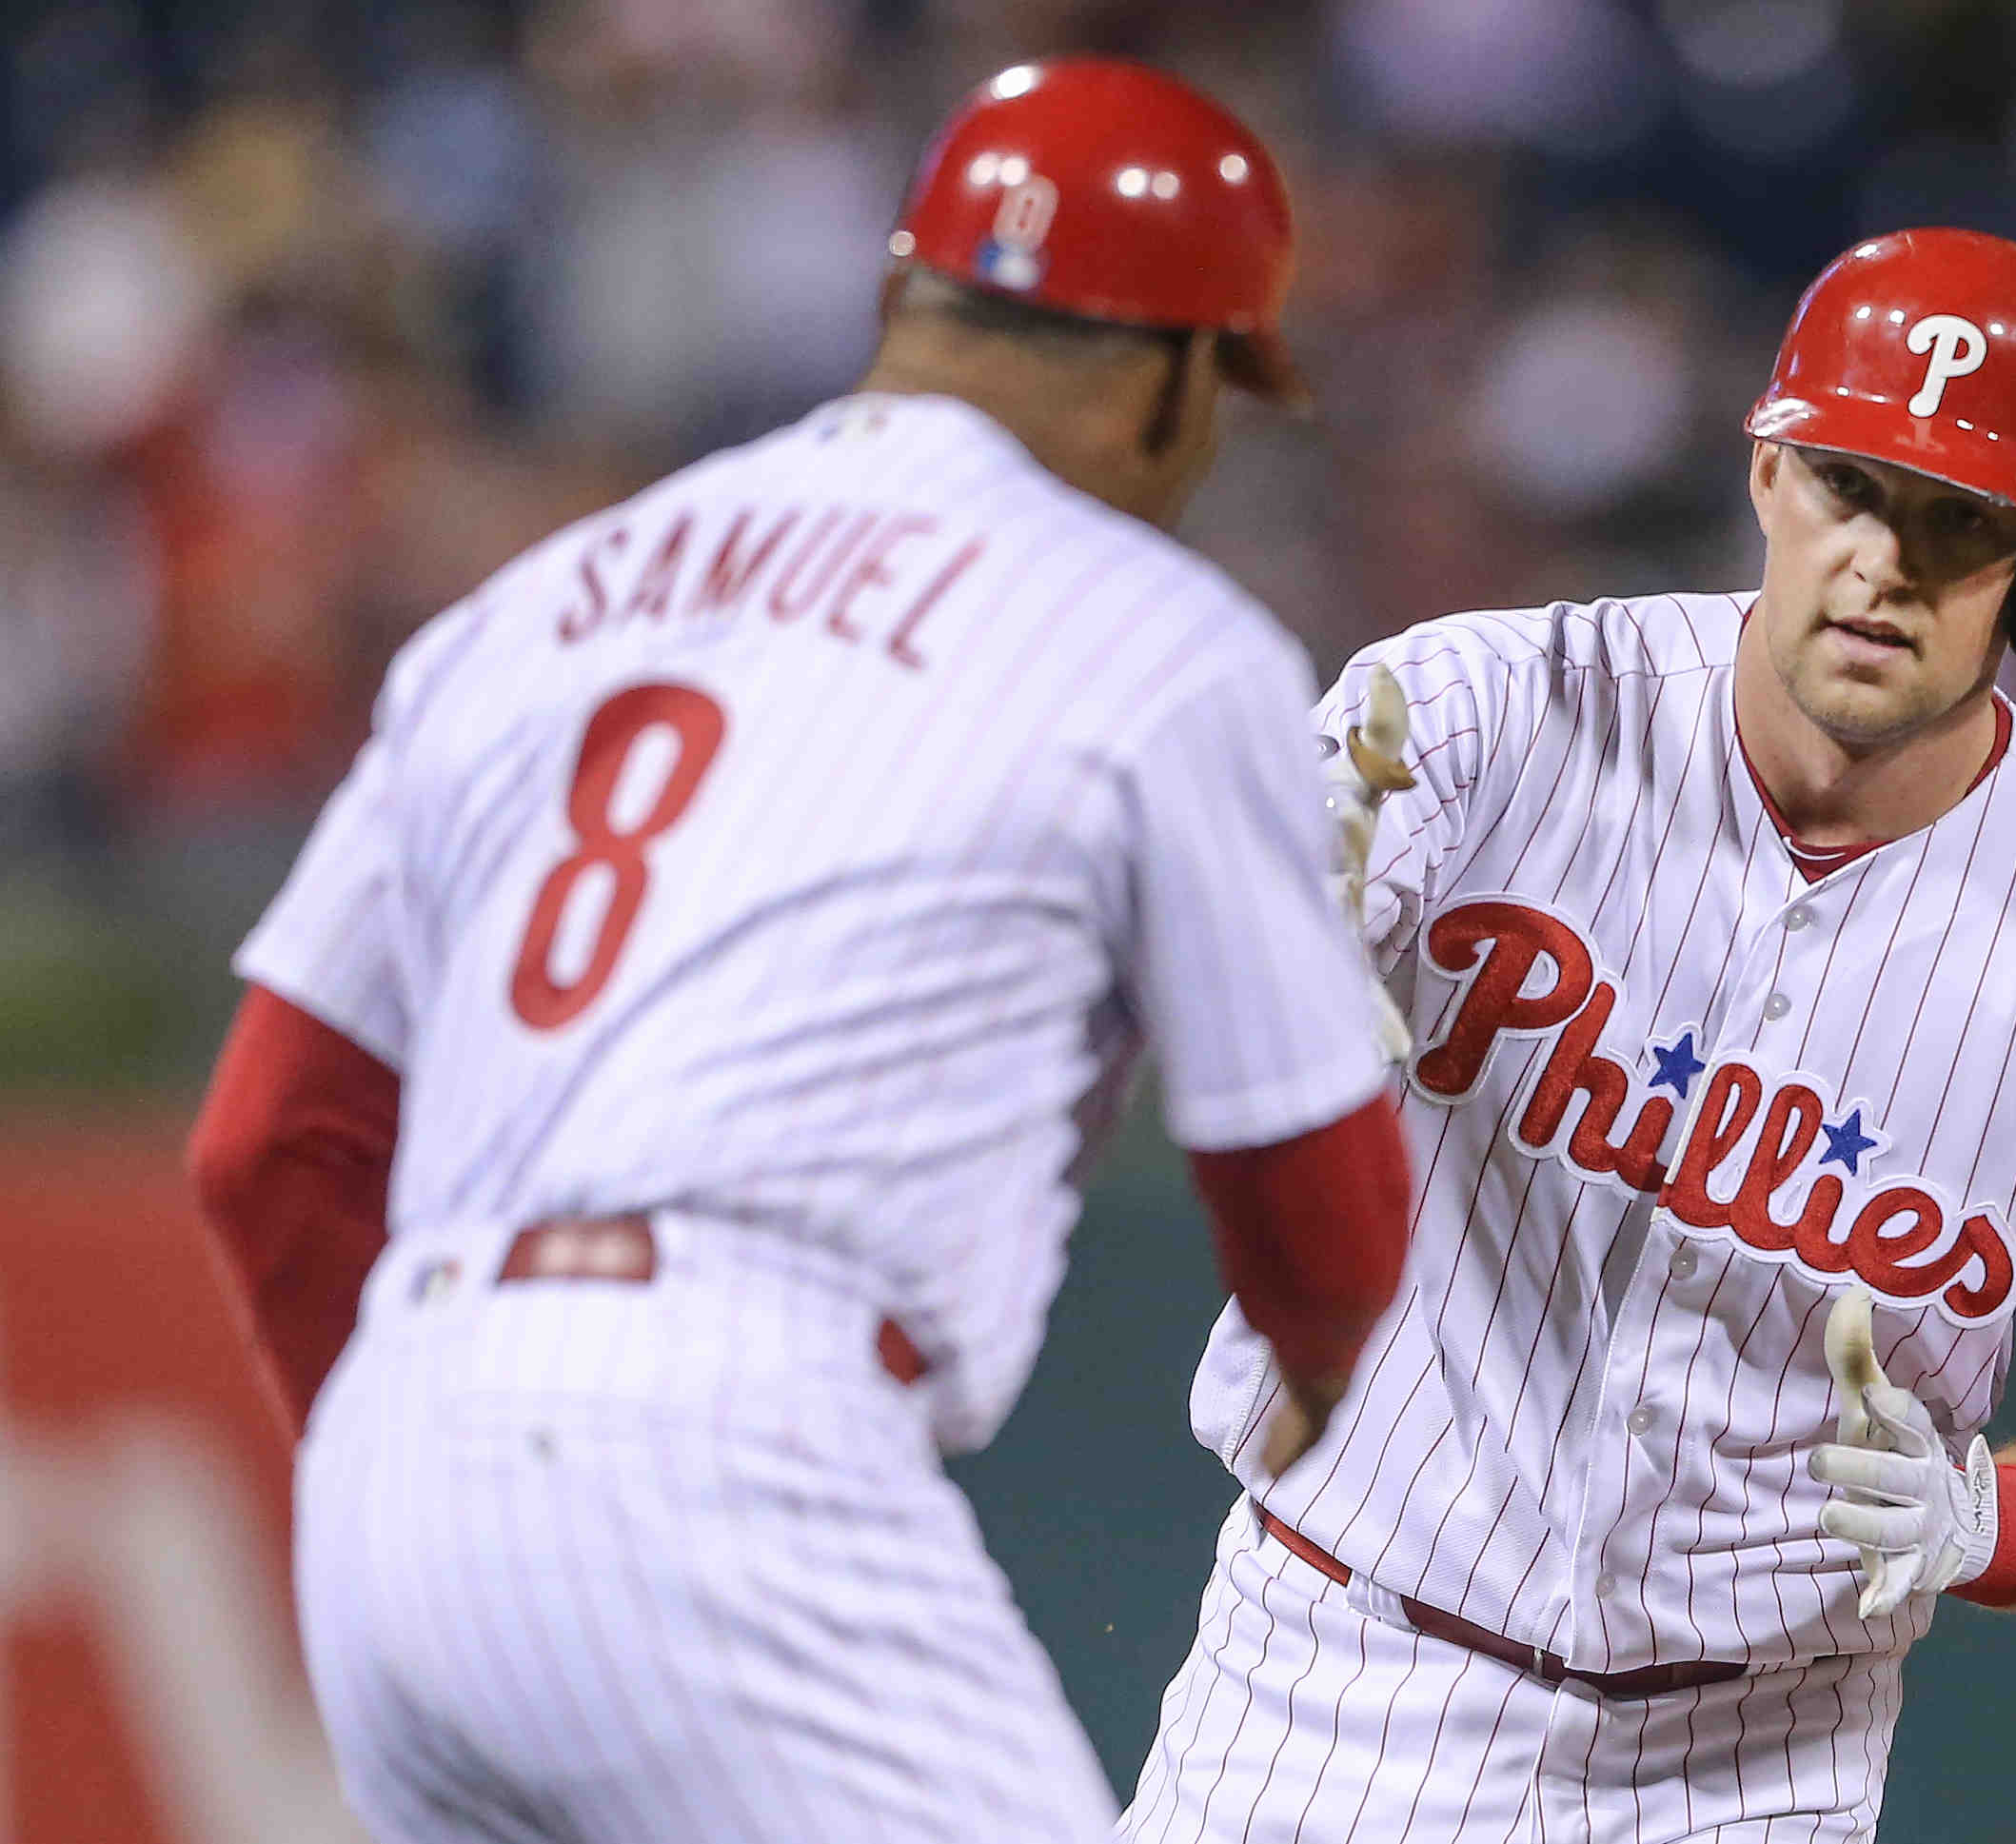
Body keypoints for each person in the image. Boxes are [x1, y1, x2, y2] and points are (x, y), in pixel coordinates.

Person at [186, 57, 1411, 1843]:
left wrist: (440, 1471)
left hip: (392, 1470)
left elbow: (263, 1143)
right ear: (1165, 374)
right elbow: (1313, 1193)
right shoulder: (1155, 635)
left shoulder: (524, 607)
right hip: (713, 1440)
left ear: (912, 297)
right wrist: (1323, 1376)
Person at [1121, 228, 2016, 1842]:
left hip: (1750, 1769)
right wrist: (1250, 929)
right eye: (1849, 485)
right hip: (1337, 1668)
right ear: (1765, 471)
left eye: (1957, 520)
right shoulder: (1482, 711)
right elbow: (1195, 960)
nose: (1882, 561)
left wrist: (1988, 1518)